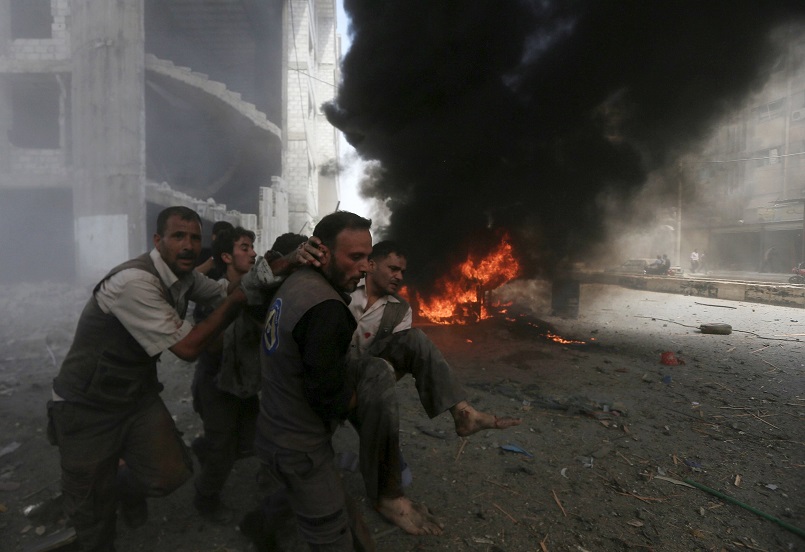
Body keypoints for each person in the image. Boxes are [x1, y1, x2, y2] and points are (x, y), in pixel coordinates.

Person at [46, 206, 317, 552]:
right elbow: (190, 346)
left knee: (171, 474)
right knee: (92, 514)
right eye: (178, 236)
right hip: (87, 405)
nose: (188, 245)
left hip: (135, 398)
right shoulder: (135, 283)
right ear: (158, 241)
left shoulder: (184, 278)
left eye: (193, 238)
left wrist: (281, 266)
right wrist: (237, 299)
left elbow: (230, 291)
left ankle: (124, 488)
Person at [244, 211, 440, 551]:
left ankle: (260, 526)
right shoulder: (328, 309)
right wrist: (367, 396)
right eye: (355, 257)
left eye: (368, 257)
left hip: (273, 423)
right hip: (300, 445)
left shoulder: (295, 281)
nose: (365, 267)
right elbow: (329, 399)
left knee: (293, 491)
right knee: (334, 534)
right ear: (322, 251)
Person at [189, 226, 262, 523]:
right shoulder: (212, 292)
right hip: (216, 384)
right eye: (245, 247)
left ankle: (203, 448)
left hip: (245, 383)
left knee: (251, 442)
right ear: (226, 257)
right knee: (223, 450)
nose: (253, 253)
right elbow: (211, 346)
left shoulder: (256, 291)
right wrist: (232, 305)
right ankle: (205, 500)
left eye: (252, 247)